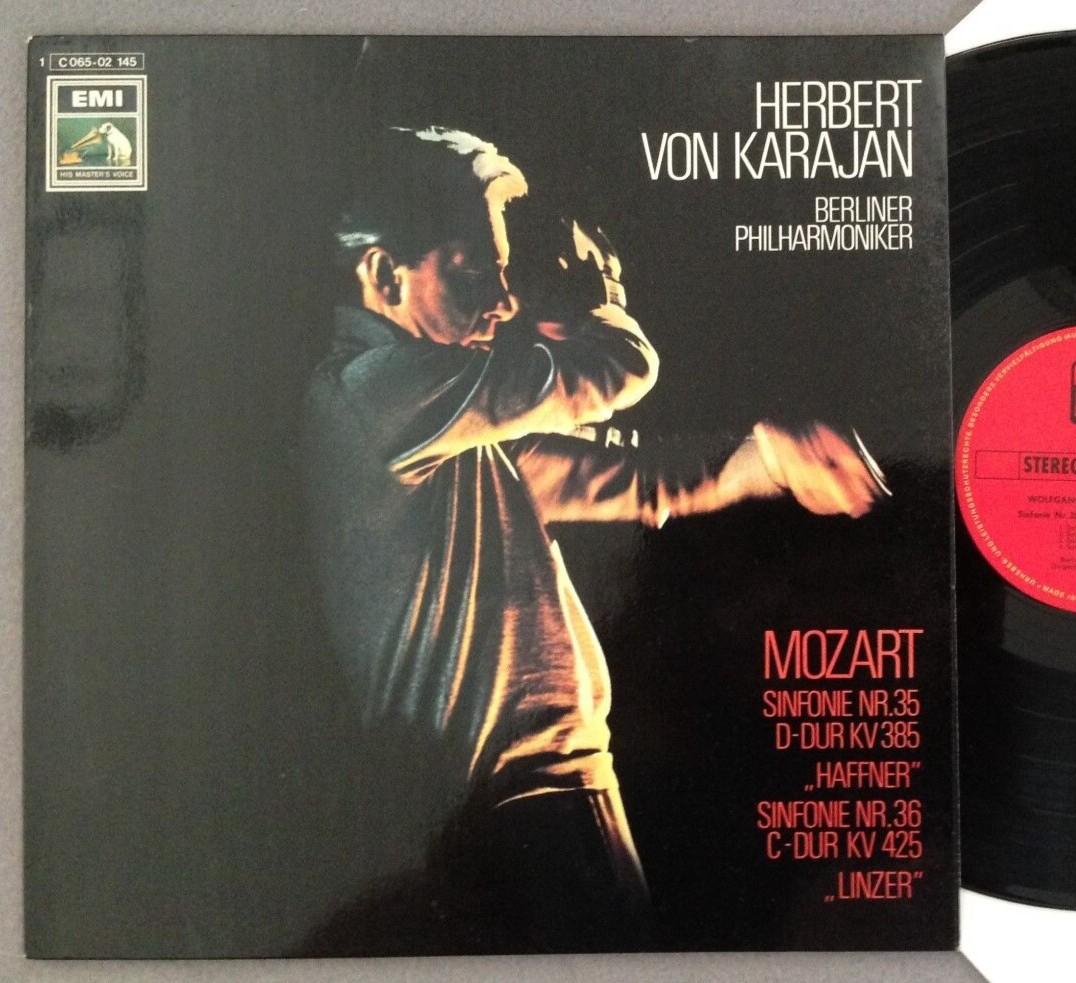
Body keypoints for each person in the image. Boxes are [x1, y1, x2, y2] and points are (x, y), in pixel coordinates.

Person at [301, 125, 883, 951]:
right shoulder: (373, 393)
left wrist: (767, 459)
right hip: (526, 799)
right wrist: (595, 302)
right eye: (473, 268)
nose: (504, 301)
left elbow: (627, 477)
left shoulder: (441, 432)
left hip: (533, 793)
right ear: (384, 274)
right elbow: (613, 373)